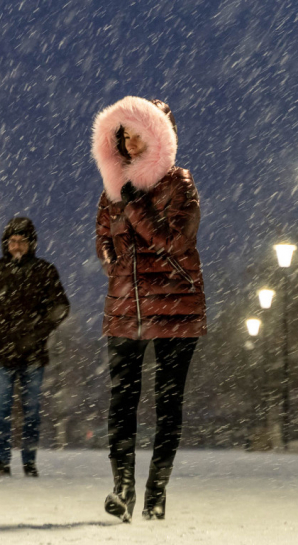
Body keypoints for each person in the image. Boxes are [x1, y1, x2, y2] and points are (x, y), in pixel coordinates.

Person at [92, 96, 207, 521]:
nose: (130, 142)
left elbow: (175, 242)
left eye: (138, 134)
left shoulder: (179, 184)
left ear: (159, 135)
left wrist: (134, 206)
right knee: (121, 401)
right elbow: (103, 237)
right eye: (124, 135)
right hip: (125, 308)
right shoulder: (112, 189)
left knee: (167, 401)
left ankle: (156, 491)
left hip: (176, 307)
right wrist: (112, 261)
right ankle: (123, 489)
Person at [0, 217, 70, 477]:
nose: (17, 246)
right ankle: (2, 461)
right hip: (0, 352)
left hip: (33, 353)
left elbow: (60, 307)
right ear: (6, 244)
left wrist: (37, 333)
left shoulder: (45, 271)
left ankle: (29, 462)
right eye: (13, 241)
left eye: (22, 241)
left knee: (31, 411)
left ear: (31, 244)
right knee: (2, 409)